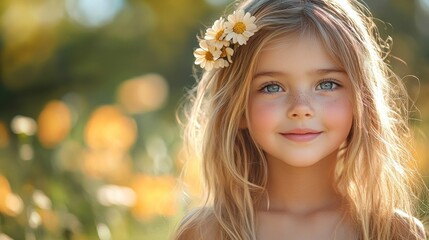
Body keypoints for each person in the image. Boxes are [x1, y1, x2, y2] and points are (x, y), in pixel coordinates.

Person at [174, 0, 427, 239]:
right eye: (272, 87)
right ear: (238, 109)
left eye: (327, 84)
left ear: (362, 101)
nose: (301, 108)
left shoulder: (395, 232)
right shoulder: (206, 232)